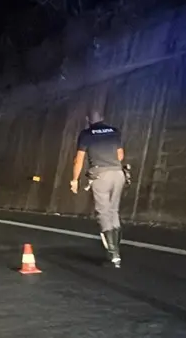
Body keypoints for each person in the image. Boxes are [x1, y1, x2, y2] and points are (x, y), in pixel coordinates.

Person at [70, 110, 125, 267]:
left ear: (88, 120)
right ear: (103, 118)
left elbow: (78, 160)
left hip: (101, 175)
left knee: (103, 211)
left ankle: (113, 253)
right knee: (113, 210)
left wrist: (74, 180)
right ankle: (116, 248)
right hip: (118, 173)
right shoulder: (114, 131)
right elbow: (120, 155)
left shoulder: (86, 134)